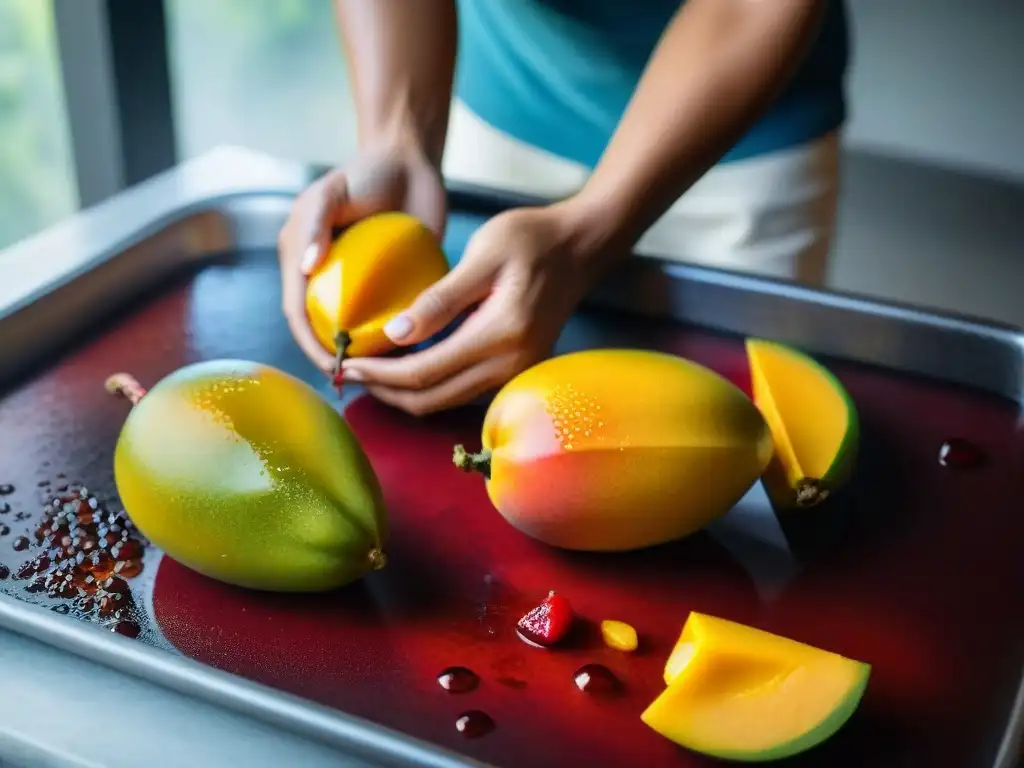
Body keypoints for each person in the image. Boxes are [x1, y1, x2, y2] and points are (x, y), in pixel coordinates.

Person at [278, 0, 849, 416]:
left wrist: (587, 235)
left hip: (738, 150)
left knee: (737, 436)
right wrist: (396, 138)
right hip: (501, 113)